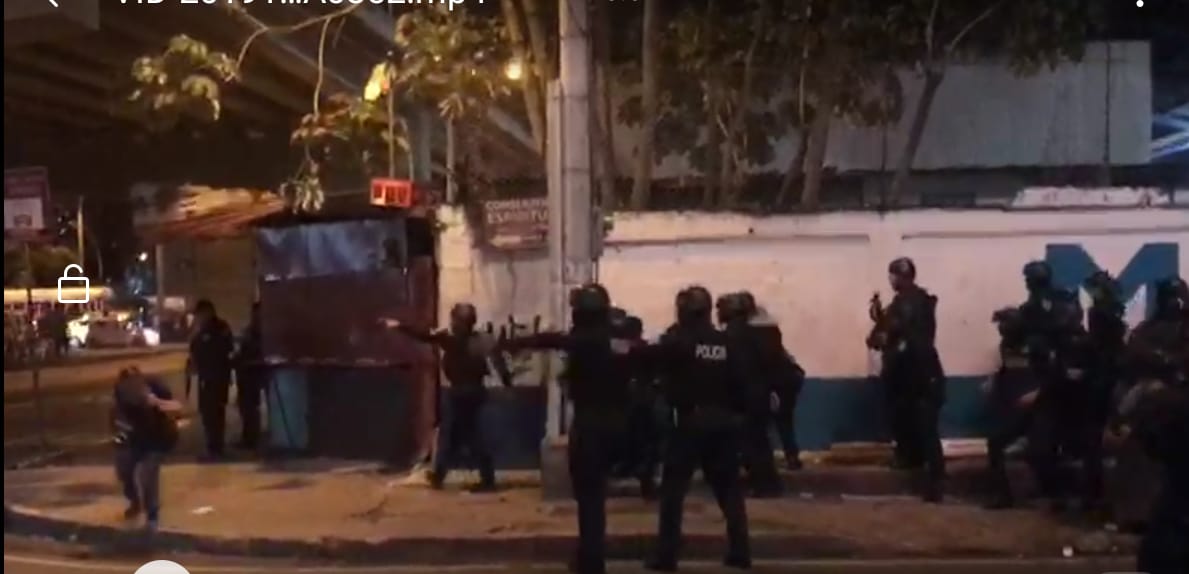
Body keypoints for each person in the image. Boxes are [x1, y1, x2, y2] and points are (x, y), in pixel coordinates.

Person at [501, 284, 638, 574]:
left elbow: (552, 340)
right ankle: (590, 553)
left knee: (589, 498)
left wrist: (515, 342)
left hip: (591, 425)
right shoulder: (620, 341)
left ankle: (591, 559)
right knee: (596, 494)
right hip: (620, 424)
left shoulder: (586, 340)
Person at [645, 286, 753, 572]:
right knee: (729, 491)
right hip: (723, 423)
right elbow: (741, 383)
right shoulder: (726, 343)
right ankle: (740, 551)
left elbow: (655, 370)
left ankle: (667, 555)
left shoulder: (677, 341)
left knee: (673, 492)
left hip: (688, 423)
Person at [381, 303, 512, 492]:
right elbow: (499, 363)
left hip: (461, 393)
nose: (452, 323)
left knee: (461, 436)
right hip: (473, 392)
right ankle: (445, 476)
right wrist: (507, 384)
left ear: (459, 321)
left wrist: (398, 326)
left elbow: (424, 335)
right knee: (460, 436)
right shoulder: (480, 340)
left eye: (455, 320)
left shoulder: (451, 339)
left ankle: (478, 479)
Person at [866, 257, 946, 502]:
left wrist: (883, 328)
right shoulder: (912, 301)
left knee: (925, 430)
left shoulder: (911, 303)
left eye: (893, 275)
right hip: (913, 375)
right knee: (912, 426)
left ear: (901, 276)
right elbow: (882, 335)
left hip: (918, 375)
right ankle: (920, 469)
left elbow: (893, 334)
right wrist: (881, 321)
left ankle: (936, 484)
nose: (891, 280)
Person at [1015, 260, 1087, 511]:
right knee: (1044, 442)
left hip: (1062, 385)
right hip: (1049, 381)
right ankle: (1054, 490)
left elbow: (1065, 335)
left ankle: (1065, 493)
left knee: (1058, 442)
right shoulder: (1033, 308)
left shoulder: (1059, 304)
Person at [717, 292, 782, 497]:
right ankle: (768, 482)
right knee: (759, 441)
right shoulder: (757, 333)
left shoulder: (733, 335)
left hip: (744, 395)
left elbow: (736, 368)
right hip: (759, 392)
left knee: (750, 443)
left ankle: (763, 484)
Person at [983, 306, 1043, 509]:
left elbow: (1050, 376)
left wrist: (1037, 394)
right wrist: (993, 383)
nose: (1002, 330)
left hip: (1036, 409)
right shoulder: (1005, 346)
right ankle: (1003, 495)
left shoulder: (1035, 346)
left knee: (1040, 448)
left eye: (1005, 325)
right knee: (995, 443)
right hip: (1012, 407)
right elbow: (1005, 372)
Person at [1078, 270, 1128, 512]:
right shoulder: (1114, 311)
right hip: (1110, 377)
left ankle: (1094, 493)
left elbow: (1099, 346)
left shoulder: (1099, 313)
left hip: (1102, 379)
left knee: (1093, 439)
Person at [739, 292, 805, 471]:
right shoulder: (770, 328)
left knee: (760, 425)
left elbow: (762, 362)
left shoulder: (749, 331)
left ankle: (760, 462)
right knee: (784, 421)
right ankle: (791, 457)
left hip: (772, 381)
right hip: (787, 378)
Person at [111, 366, 183, 532]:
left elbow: (177, 408)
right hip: (135, 438)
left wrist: (156, 403)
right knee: (124, 469)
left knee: (148, 474)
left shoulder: (156, 387)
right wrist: (120, 438)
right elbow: (117, 422)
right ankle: (134, 501)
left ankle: (152, 516)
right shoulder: (121, 397)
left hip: (158, 437)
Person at [188, 299, 235, 460]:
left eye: (199, 314)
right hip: (206, 378)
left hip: (216, 378)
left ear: (207, 312)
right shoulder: (202, 330)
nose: (197, 318)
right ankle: (214, 447)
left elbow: (221, 351)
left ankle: (215, 449)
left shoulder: (219, 329)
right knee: (208, 413)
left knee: (214, 414)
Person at [234, 302, 266, 451]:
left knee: (250, 408)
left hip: (256, 372)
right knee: (246, 408)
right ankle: (249, 437)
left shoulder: (264, 331)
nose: (256, 316)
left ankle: (252, 438)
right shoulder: (250, 331)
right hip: (246, 374)